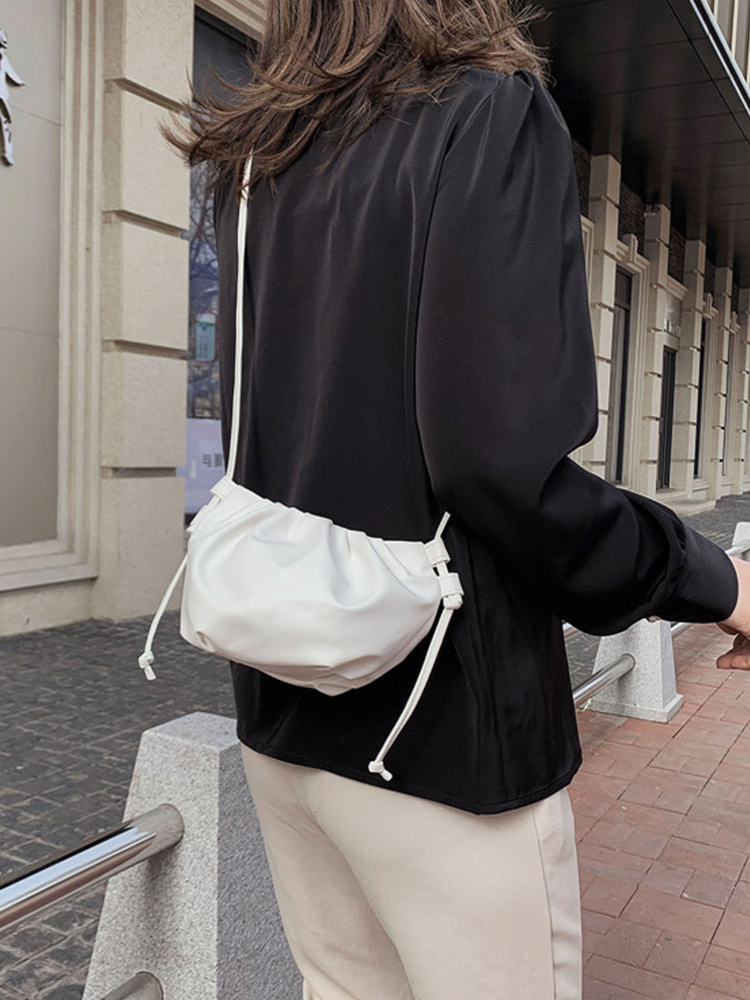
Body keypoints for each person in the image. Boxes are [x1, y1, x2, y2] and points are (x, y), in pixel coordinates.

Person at [163, 2, 750, 997]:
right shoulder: (486, 114)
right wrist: (716, 581)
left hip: (282, 698)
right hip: (445, 730)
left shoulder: (258, 155)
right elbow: (500, 468)